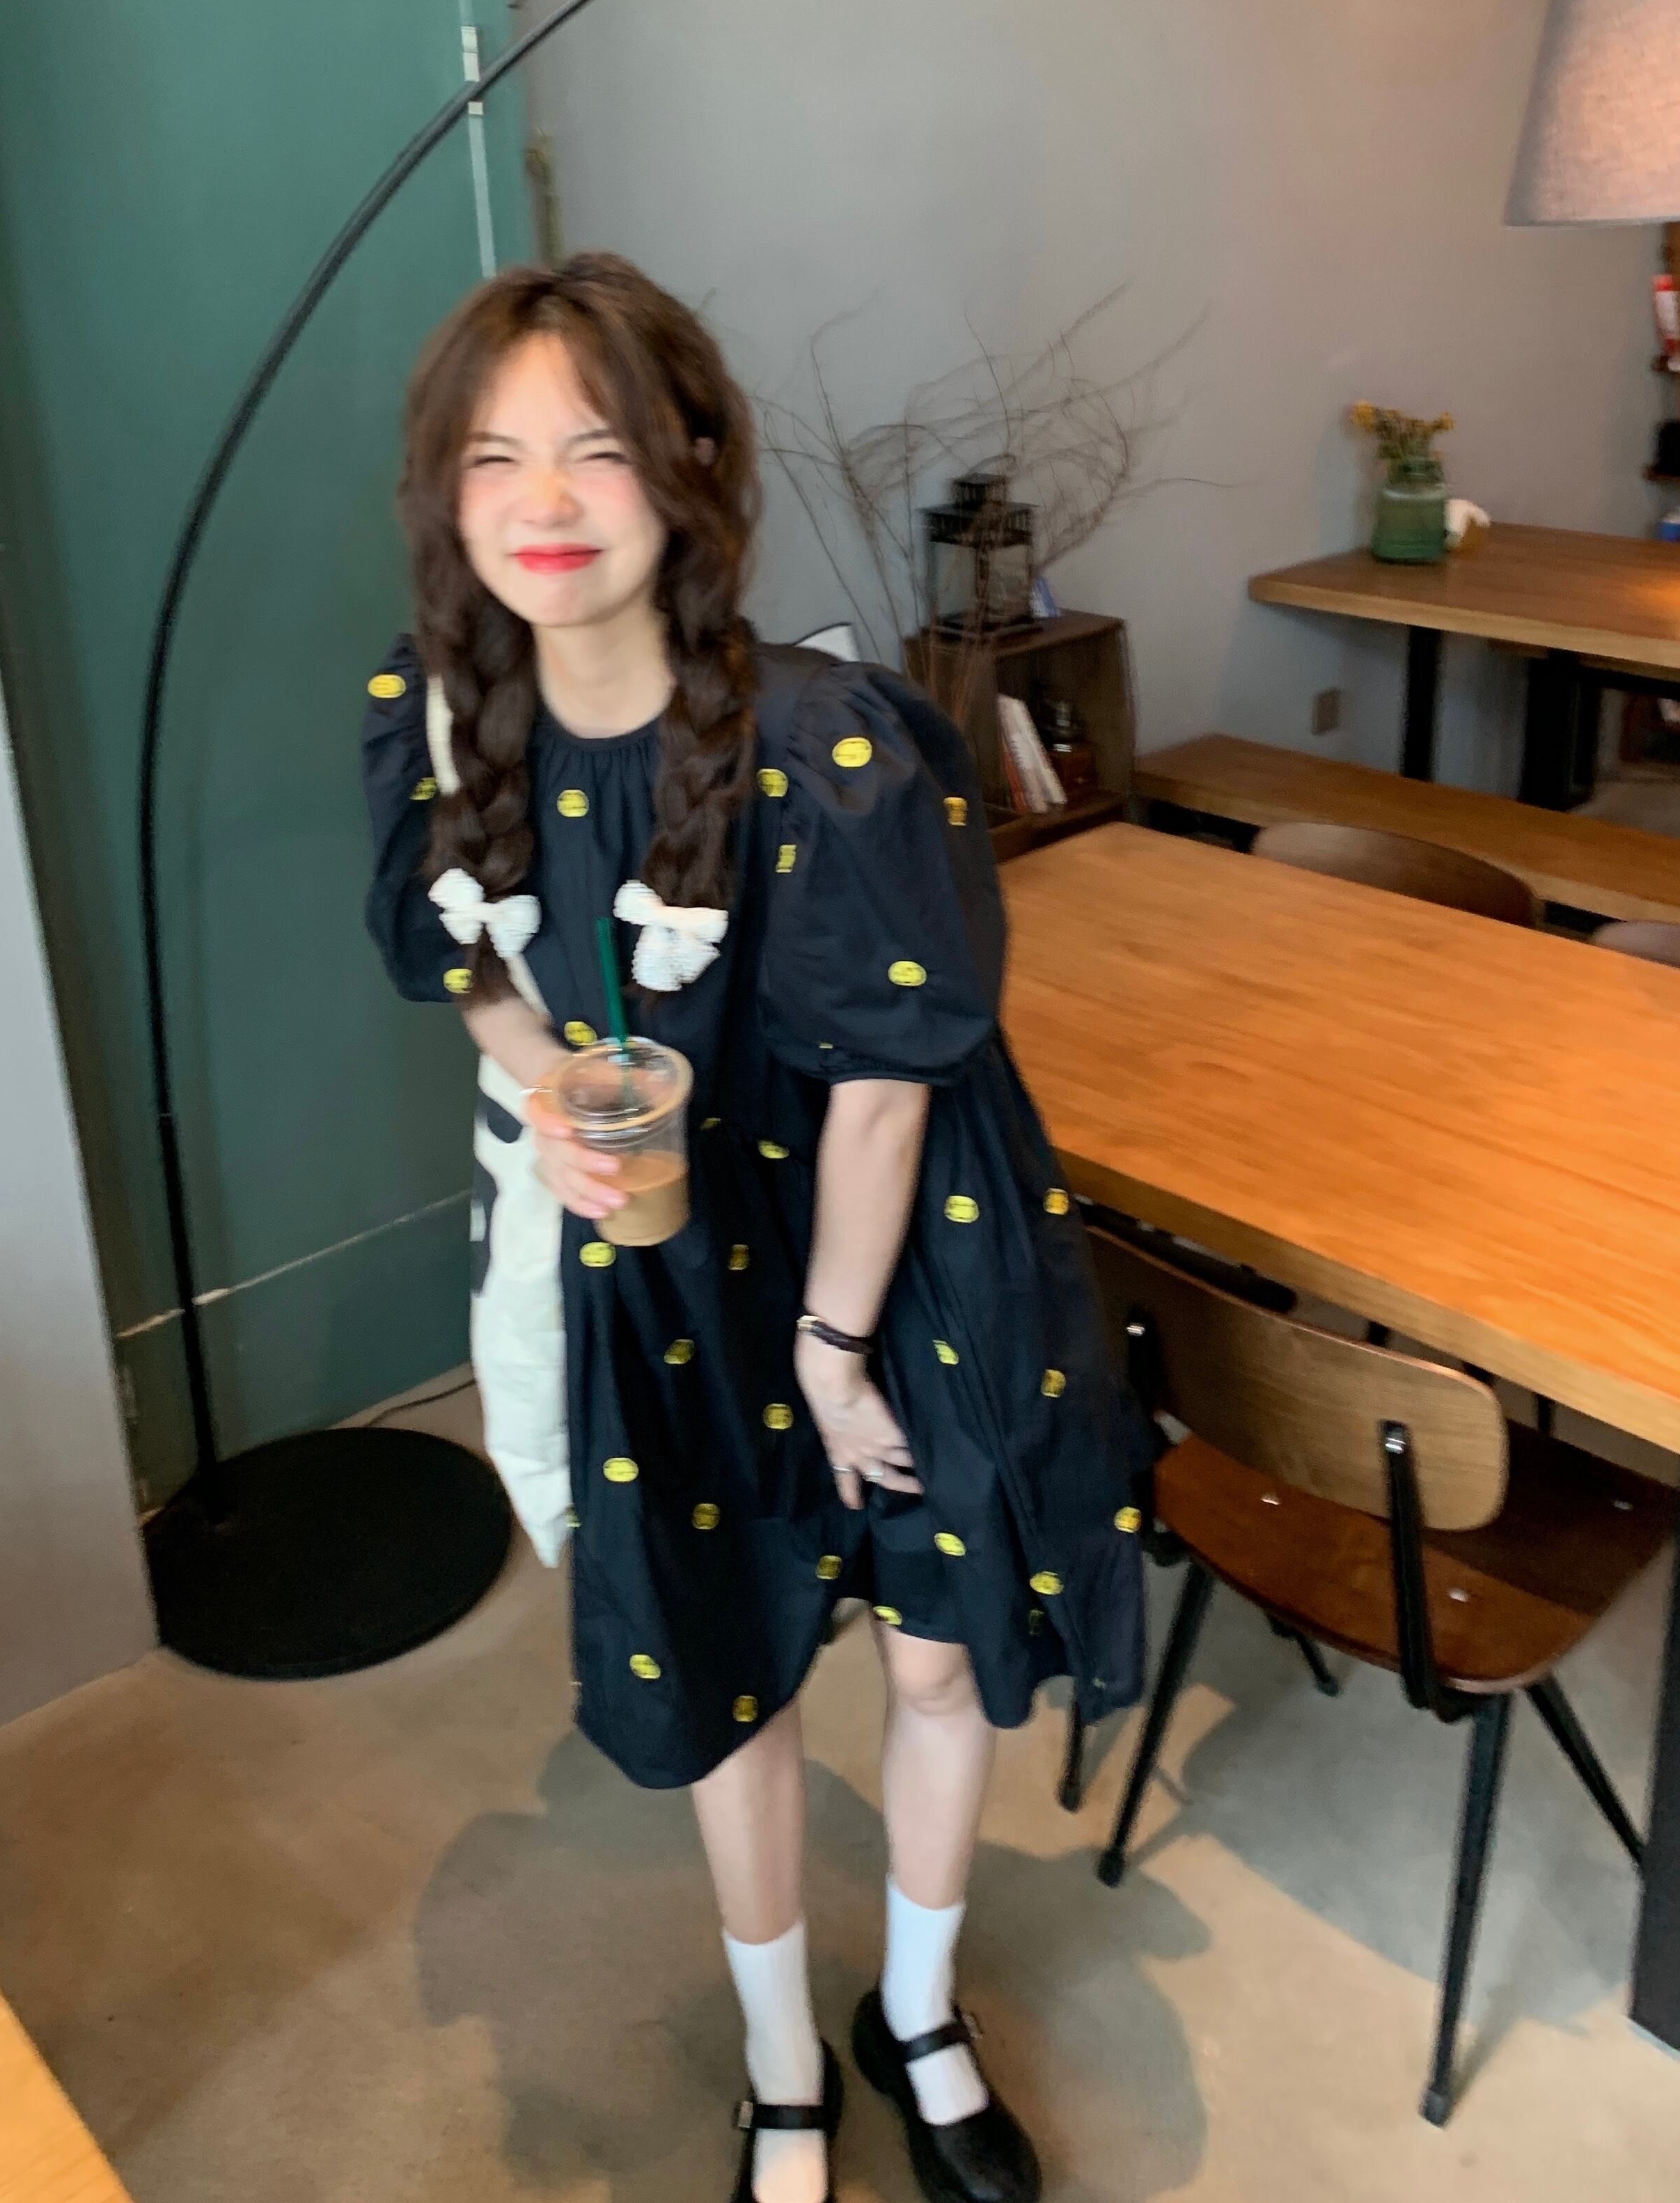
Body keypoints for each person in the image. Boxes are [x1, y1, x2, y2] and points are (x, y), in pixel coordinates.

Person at [362, 255, 1147, 2203]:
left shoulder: (831, 736)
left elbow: (884, 1085)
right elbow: (468, 964)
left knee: (937, 1658)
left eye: (597, 448)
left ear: (689, 469)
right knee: (733, 1676)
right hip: (657, 1259)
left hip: (891, 1250)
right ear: (447, 496)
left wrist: (832, 1343)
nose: (545, 501)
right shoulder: (442, 725)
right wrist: (550, 1085)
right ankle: (784, 2066)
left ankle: (923, 2014)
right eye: (494, 458)